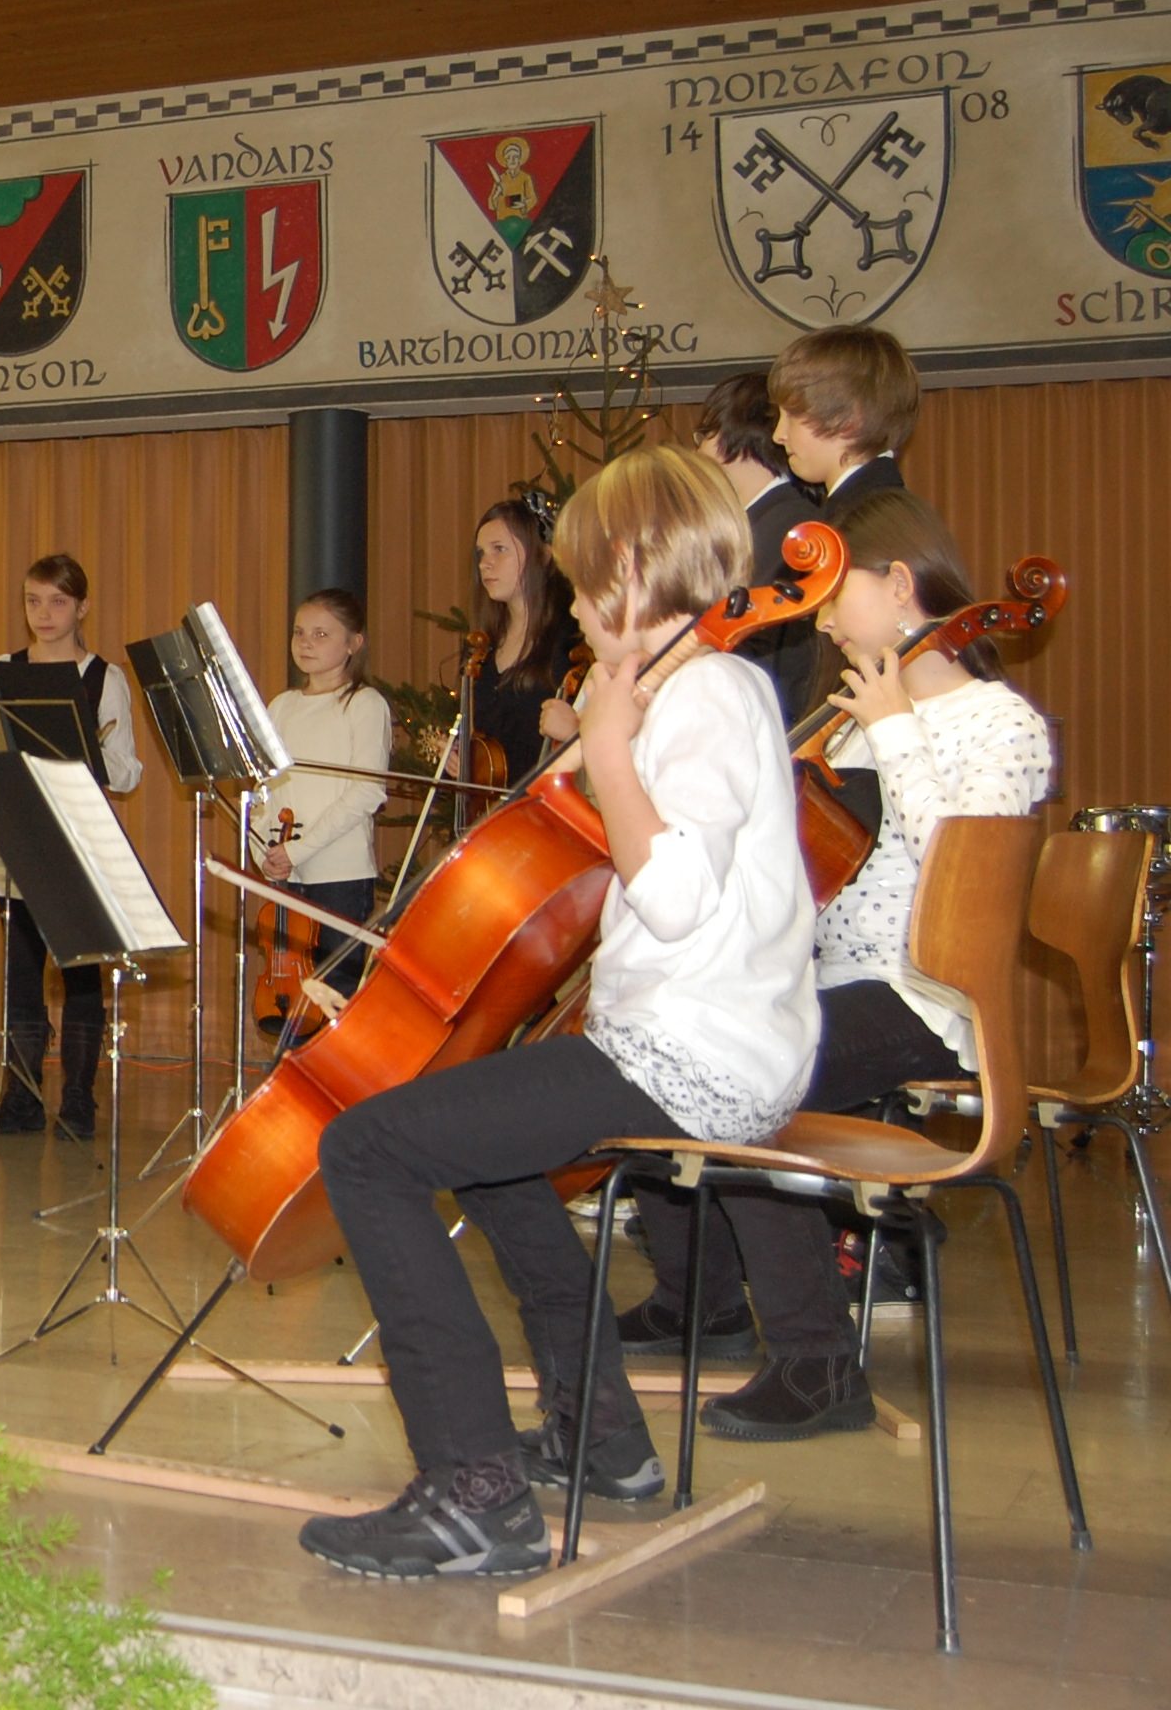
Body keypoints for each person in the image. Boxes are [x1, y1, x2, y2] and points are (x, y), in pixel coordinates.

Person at [297, 446, 816, 1579]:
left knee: (368, 1148)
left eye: (583, 584)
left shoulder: (710, 696)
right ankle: (602, 1440)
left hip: (695, 1057)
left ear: (632, 570)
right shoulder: (690, 691)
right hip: (686, 1043)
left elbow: (672, 899)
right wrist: (599, 745)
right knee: (483, 1154)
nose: (574, 610)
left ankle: (474, 1495)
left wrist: (611, 750)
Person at [609, 492, 1053, 1440]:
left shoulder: (1000, 723)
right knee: (655, 1046)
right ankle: (701, 1301)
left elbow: (961, 882)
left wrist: (895, 730)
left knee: (745, 1078)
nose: (817, 618)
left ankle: (817, 1364)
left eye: (834, 592)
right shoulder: (846, 723)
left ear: (898, 586)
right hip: (819, 984)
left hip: (924, 998)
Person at [0, 553, 143, 1140]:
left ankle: (78, 1102)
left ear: (82, 607)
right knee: (21, 975)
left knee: (81, 977)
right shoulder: (2, 669)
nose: (44, 614)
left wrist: (90, 755)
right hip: (19, 836)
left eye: (58, 602)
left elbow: (128, 771)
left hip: (78, 840)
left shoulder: (105, 678)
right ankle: (20, 1100)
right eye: (33, 601)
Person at [258, 589, 393, 1007]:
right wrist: (265, 849)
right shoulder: (282, 706)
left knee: (336, 995)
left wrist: (297, 850)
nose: (305, 643)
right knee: (291, 996)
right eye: (299, 632)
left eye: (321, 634)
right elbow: (264, 789)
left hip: (340, 875)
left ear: (354, 643)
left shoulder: (364, 704)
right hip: (287, 872)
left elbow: (367, 791)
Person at [693, 370, 815, 726]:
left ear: (738, 436)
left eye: (705, 434)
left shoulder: (789, 525)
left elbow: (771, 651)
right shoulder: (762, 520)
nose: (697, 451)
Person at [461, 494, 581, 790]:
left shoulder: (571, 642)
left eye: (499, 549)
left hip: (546, 807)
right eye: (481, 553)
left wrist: (577, 731)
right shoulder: (480, 648)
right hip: (493, 812)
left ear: (543, 555)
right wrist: (463, 762)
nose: (485, 564)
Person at [768, 323, 919, 519]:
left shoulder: (859, 523)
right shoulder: (891, 509)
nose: (778, 436)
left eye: (793, 415)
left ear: (848, 420)